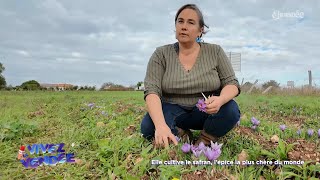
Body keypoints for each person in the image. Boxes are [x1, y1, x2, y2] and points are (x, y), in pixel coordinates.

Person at [140, 4, 241, 148]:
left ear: (200, 31)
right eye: (180, 21)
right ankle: (181, 133)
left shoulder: (215, 51)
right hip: (172, 108)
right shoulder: (161, 54)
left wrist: (220, 100)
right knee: (149, 127)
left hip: (206, 110)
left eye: (190, 22)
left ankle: (206, 138)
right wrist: (161, 125)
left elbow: (232, 83)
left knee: (230, 110)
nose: (184, 26)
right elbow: (151, 91)